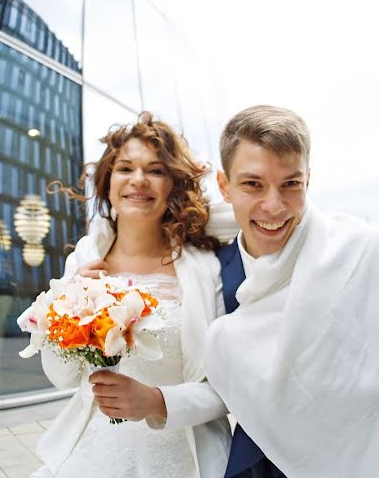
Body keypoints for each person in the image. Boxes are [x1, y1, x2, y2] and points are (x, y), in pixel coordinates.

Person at [204, 105, 379, 477]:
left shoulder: (360, 250)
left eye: (291, 184)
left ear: (308, 181)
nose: (274, 205)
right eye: (253, 184)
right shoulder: (211, 269)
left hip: (374, 457)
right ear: (225, 187)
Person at [28, 112, 231, 478]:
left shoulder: (205, 269)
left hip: (179, 458)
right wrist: (65, 306)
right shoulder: (85, 259)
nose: (139, 180)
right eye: (125, 168)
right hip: (91, 454)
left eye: (155, 170)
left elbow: (225, 388)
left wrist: (157, 401)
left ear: (173, 185)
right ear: (107, 184)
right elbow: (62, 376)